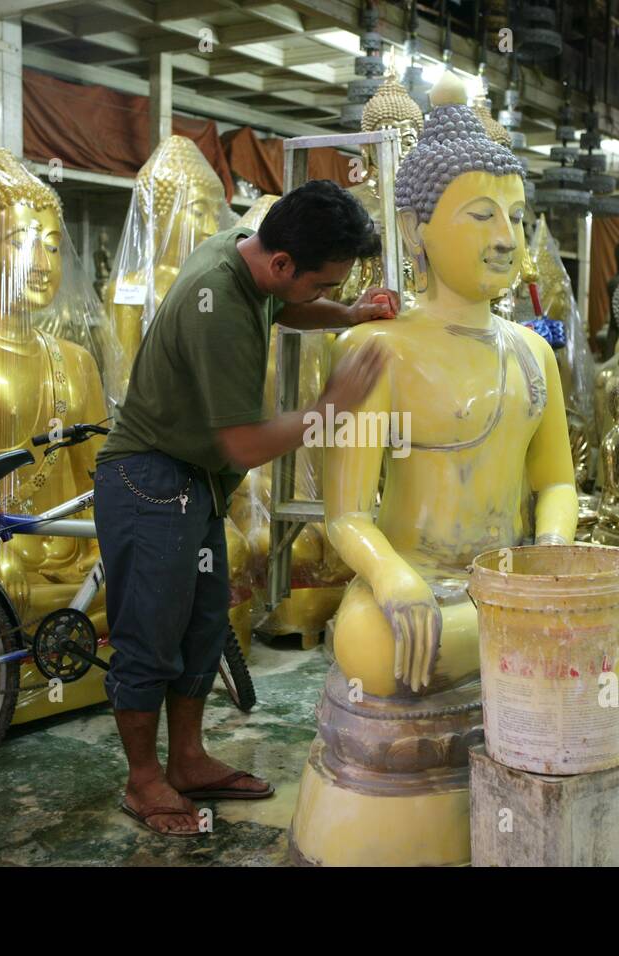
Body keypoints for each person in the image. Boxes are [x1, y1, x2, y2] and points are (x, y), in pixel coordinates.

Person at [94, 179, 395, 836]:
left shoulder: (250, 251)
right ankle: (144, 780)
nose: (322, 294)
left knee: (204, 623)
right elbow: (246, 443)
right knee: (150, 636)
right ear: (283, 263)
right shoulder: (220, 309)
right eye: (322, 284)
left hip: (196, 478)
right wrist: (330, 409)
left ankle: (191, 758)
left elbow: (286, 308)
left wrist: (344, 314)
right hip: (150, 477)